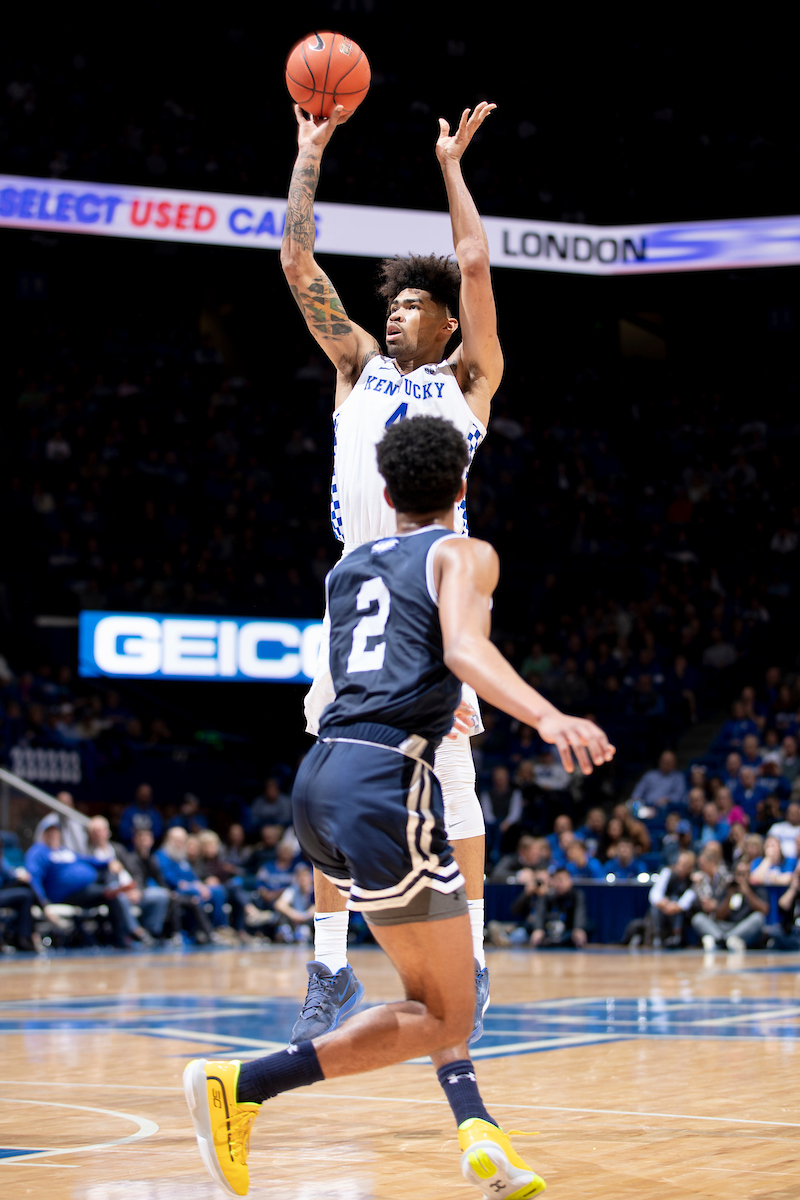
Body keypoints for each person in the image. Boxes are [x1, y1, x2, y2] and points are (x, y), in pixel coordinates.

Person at [184, 415, 614, 1198]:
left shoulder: (347, 569)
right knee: (451, 1010)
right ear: (462, 487)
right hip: (387, 784)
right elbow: (463, 649)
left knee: (438, 996)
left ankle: (479, 1134)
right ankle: (244, 1085)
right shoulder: (463, 552)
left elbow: (371, 669)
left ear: (384, 494)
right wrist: (547, 716)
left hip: (321, 775)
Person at [280, 100, 504, 1043]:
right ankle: (329, 969)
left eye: (413, 303)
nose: (394, 312)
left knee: (450, 779)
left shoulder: (468, 382)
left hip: (430, 591)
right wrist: (309, 154)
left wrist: (451, 167)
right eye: (393, 303)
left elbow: (476, 262)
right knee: (329, 776)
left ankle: (475, 959)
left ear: (447, 320)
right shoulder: (356, 365)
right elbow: (298, 264)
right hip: (353, 591)